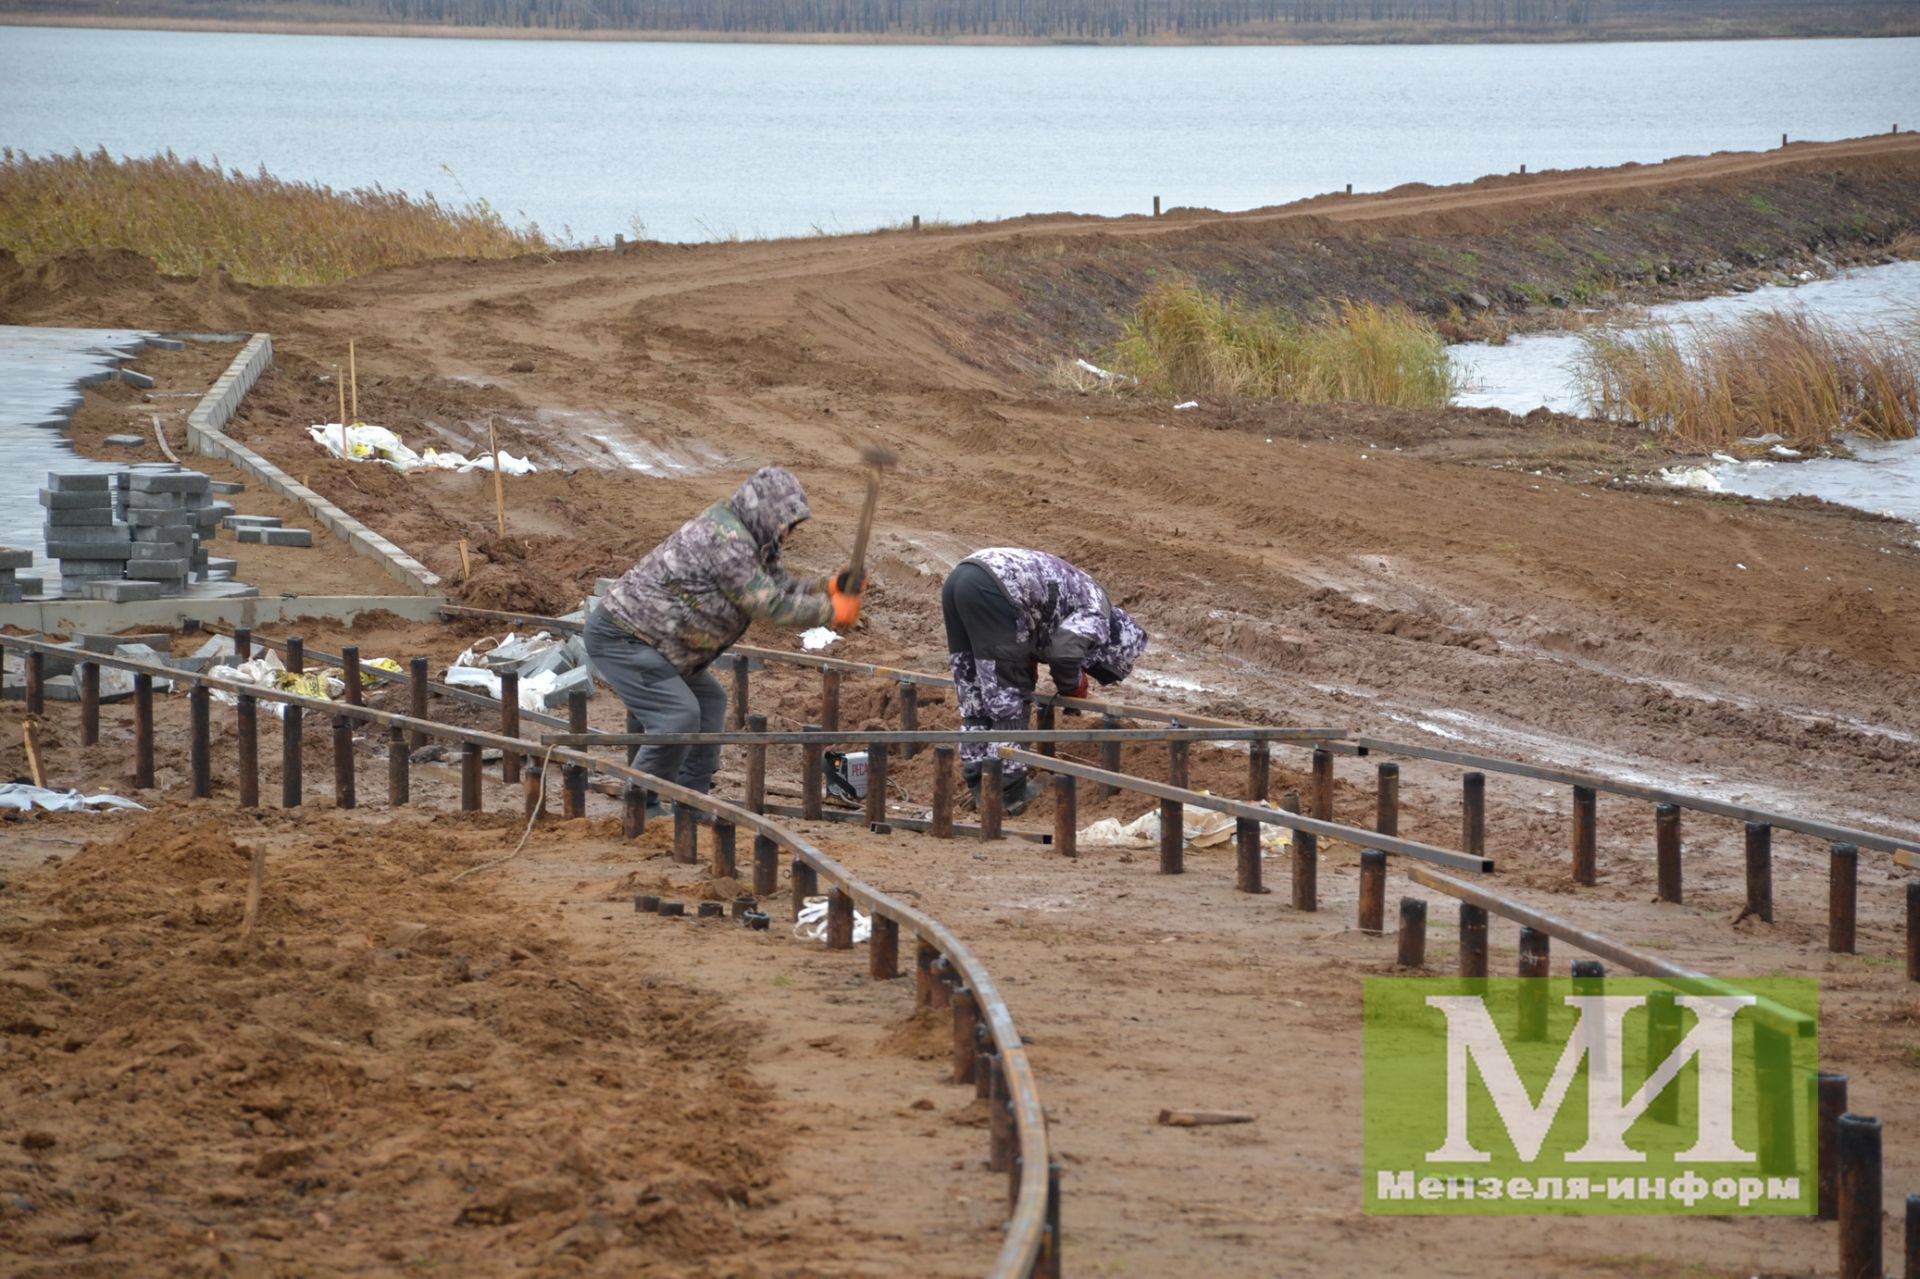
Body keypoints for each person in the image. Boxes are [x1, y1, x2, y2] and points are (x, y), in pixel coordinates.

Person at [585, 467, 862, 815]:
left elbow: (777, 584)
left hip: (662, 645)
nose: (787, 532)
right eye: (785, 523)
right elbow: (767, 603)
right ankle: (642, 806)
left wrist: (827, 586)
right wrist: (831, 611)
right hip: (626, 638)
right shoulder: (725, 539)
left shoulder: (754, 542)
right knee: (677, 716)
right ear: (765, 513)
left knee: (710, 701)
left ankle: (691, 801)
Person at [941, 547, 1148, 816]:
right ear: (1115, 646)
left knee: (974, 693)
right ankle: (1007, 790)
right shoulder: (1099, 614)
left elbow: (1036, 632)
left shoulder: (1082, 594)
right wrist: (1073, 686)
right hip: (997, 588)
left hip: (962, 579)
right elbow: (1064, 653)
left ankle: (978, 777)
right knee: (1008, 696)